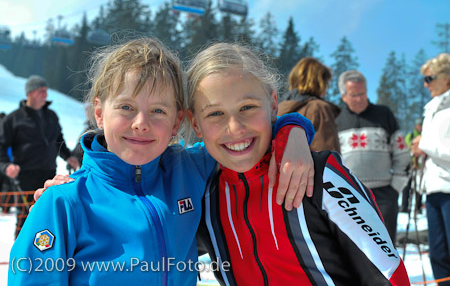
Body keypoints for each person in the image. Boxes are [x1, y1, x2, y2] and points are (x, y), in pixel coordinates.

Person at [8, 38, 315, 285]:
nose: (141, 123)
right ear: (99, 113)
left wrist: (293, 131)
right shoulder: (65, 203)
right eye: (126, 107)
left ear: (177, 121)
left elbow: (244, 135)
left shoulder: (191, 169)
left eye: (158, 111)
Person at [187, 43, 409, 285]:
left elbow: (387, 274)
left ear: (273, 104)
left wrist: (293, 129)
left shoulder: (320, 176)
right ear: (195, 123)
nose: (235, 127)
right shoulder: (203, 196)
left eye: (247, 107)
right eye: (215, 114)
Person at [335, 70, 410, 244]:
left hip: (384, 194)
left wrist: (395, 188)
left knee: (385, 248)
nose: (360, 99)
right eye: (354, 95)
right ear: (344, 96)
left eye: (363, 93)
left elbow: (401, 152)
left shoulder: (383, 114)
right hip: (349, 195)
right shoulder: (336, 118)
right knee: (353, 249)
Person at [0, 75, 79, 237]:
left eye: (46, 91)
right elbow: (1, 146)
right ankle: (22, 254)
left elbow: (58, 140)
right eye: (41, 91)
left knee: (49, 214)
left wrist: (68, 156)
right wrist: (6, 166)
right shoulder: (13, 118)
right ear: (30, 93)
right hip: (25, 175)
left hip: (49, 172)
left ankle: (46, 253)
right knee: (26, 215)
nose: (46, 95)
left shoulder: (51, 116)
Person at [411, 53, 450, 285]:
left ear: (446, 79)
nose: (425, 84)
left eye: (430, 78)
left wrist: (423, 144)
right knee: (438, 254)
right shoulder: (432, 109)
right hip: (433, 188)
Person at [278, 57, 341, 152]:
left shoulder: (277, 108)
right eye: (326, 83)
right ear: (320, 82)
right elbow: (327, 155)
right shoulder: (319, 108)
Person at [400, 117, 423, 214]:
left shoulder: (425, 136)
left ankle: (418, 207)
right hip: (410, 164)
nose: (420, 127)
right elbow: (405, 147)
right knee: (407, 186)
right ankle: (404, 206)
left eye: (421, 125)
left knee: (419, 187)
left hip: (421, 165)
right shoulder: (411, 135)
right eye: (419, 125)